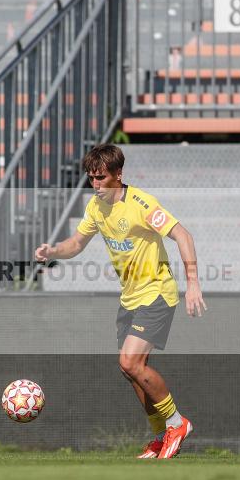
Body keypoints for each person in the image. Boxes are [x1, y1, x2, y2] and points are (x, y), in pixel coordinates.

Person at [34, 144, 207, 459]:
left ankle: (177, 423)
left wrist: (193, 284)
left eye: (101, 178)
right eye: (91, 178)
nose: (96, 185)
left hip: (157, 291)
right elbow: (76, 243)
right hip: (129, 297)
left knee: (129, 362)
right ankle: (160, 436)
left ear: (118, 174)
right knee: (133, 372)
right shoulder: (96, 208)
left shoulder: (141, 204)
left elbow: (183, 235)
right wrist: (54, 251)